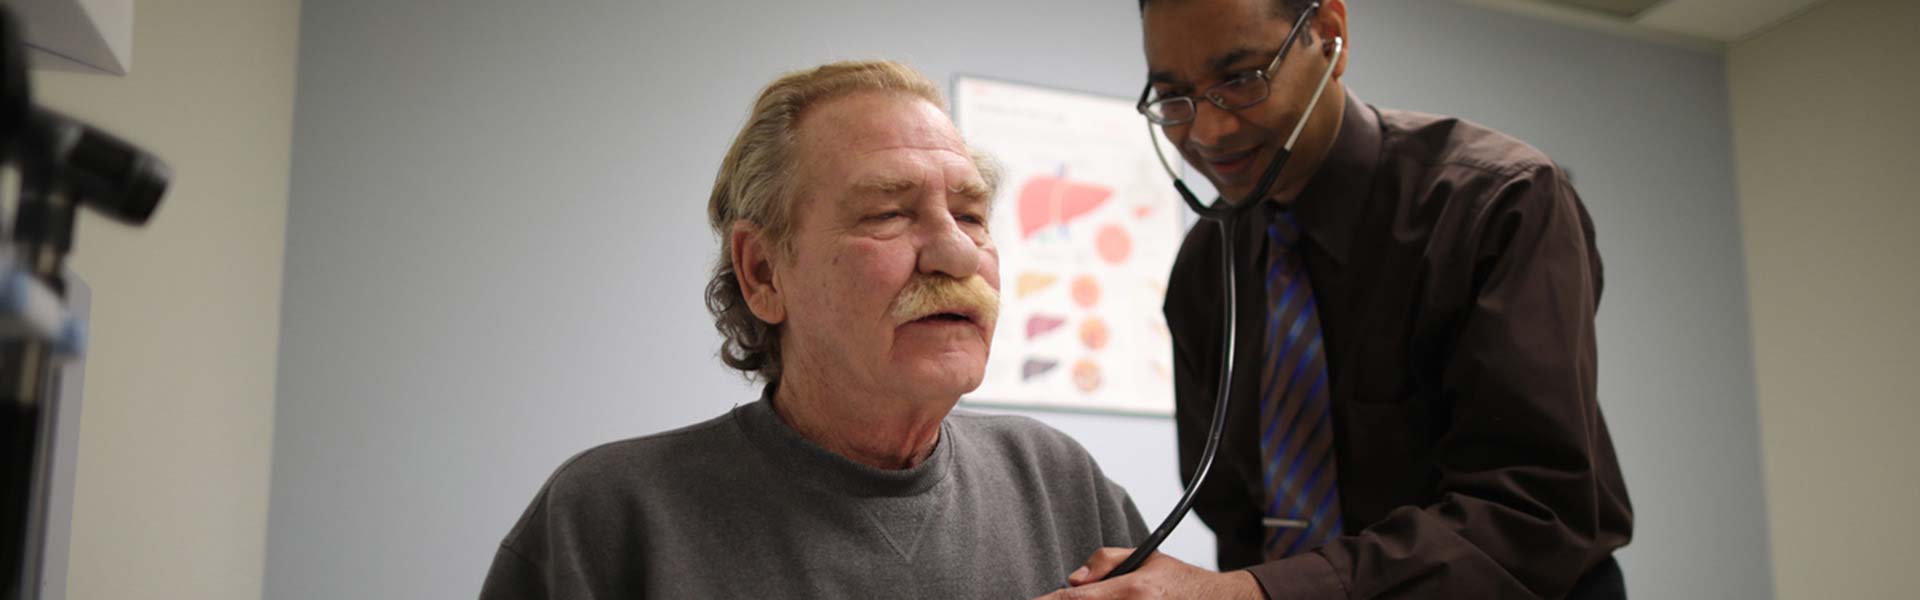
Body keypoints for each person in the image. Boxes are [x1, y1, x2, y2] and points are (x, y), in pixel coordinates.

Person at [479, 60, 1146, 598]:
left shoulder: (1058, 483)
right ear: (764, 272)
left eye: (971, 216)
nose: (959, 254)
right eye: (888, 212)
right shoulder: (611, 517)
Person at [1044, 1, 1632, 598]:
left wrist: (1251, 594)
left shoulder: (1499, 203)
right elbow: (1239, 519)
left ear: (1330, 35)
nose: (1207, 131)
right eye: (1174, 96)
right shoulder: (1205, 267)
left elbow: (1533, 513)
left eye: (1241, 79)